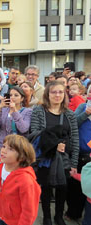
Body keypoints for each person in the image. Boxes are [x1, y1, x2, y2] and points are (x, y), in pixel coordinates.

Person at [30, 80, 79, 225]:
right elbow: (35, 132)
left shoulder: (69, 114)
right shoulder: (39, 111)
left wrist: (74, 162)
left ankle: (58, 216)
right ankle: (46, 216)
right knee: (45, 188)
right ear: (47, 94)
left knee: (62, 188)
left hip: (64, 158)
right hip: (45, 157)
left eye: (60, 92)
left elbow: (74, 137)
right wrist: (54, 145)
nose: (57, 95)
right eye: (53, 92)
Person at [0, 134, 41, 225]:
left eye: (10, 149)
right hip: (1, 215)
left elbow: (29, 212)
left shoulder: (26, 180)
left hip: (15, 222)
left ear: (21, 157)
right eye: (4, 146)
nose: (3, 151)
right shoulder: (0, 165)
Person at [65, 85, 91, 221]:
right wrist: (86, 113)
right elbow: (71, 124)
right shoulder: (82, 107)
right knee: (75, 188)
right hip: (80, 155)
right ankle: (73, 213)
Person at [0, 86, 32, 152]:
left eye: (16, 95)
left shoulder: (27, 111)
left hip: (18, 147)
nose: (12, 97)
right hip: (3, 146)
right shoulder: (4, 110)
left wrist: (14, 111)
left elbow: (24, 129)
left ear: (22, 98)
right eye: (10, 95)